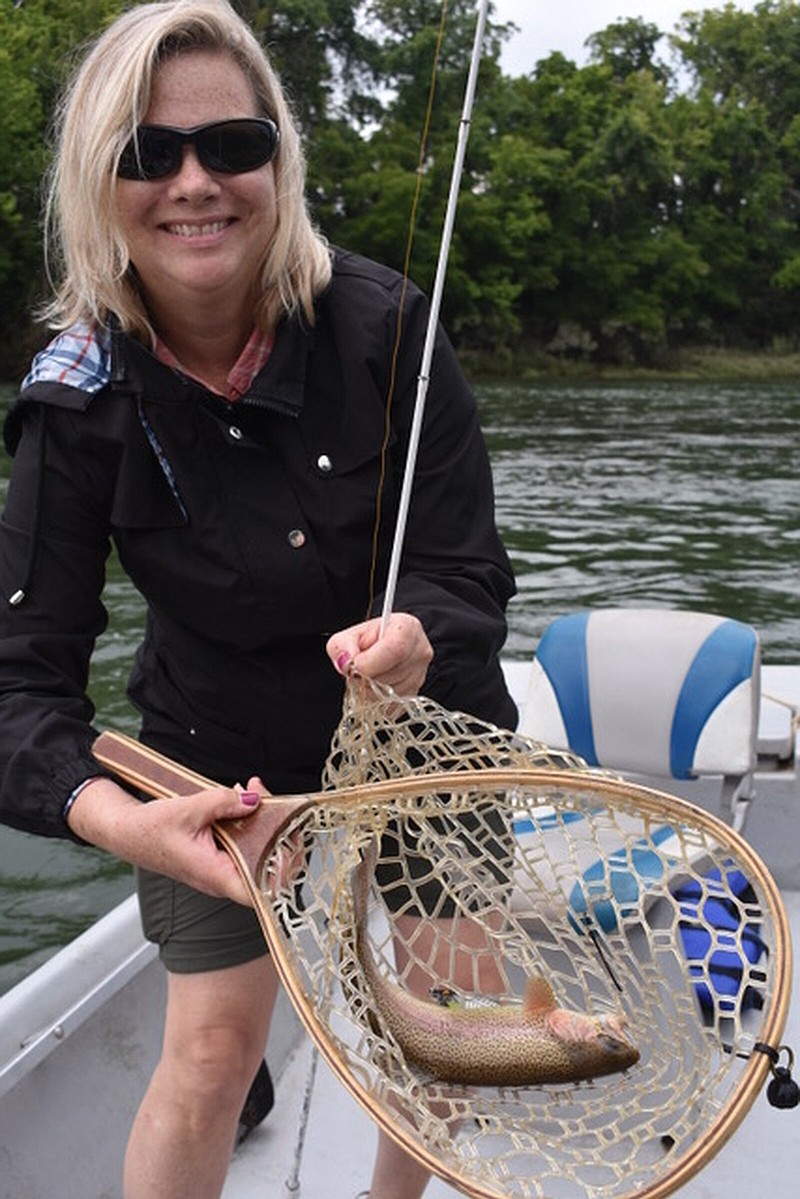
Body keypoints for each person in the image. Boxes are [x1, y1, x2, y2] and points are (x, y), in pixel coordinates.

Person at [0, 1, 516, 1196]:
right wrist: (115, 817)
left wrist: (419, 633)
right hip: (208, 754)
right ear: (99, 181)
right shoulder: (75, 400)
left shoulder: (387, 326)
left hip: (422, 729)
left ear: (277, 161)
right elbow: (21, 686)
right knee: (211, 1053)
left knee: (445, 1019)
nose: (195, 182)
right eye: (148, 153)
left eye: (231, 145)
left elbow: (466, 566)